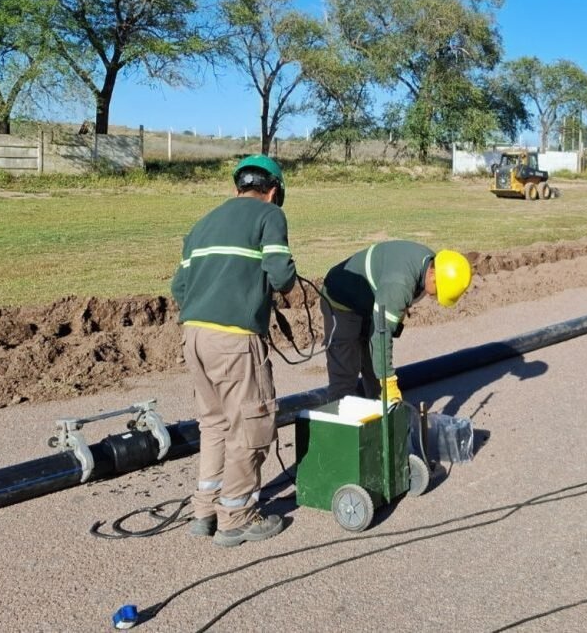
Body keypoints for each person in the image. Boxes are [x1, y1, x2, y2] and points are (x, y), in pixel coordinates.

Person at [170, 154, 296, 547]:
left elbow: (179, 288)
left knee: (214, 424)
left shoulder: (202, 224)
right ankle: (237, 516)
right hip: (234, 341)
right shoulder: (269, 216)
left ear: (236, 186)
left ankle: (205, 509)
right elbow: (281, 275)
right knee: (251, 425)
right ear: (273, 191)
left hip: (194, 337)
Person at [320, 241, 472, 403]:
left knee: (375, 369)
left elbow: (384, 324)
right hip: (341, 299)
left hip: (369, 303)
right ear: (433, 274)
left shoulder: (428, 263)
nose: (436, 297)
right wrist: (389, 382)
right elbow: (381, 334)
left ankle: (381, 419)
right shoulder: (401, 282)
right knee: (345, 377)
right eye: (439, 291)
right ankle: (341, 421)